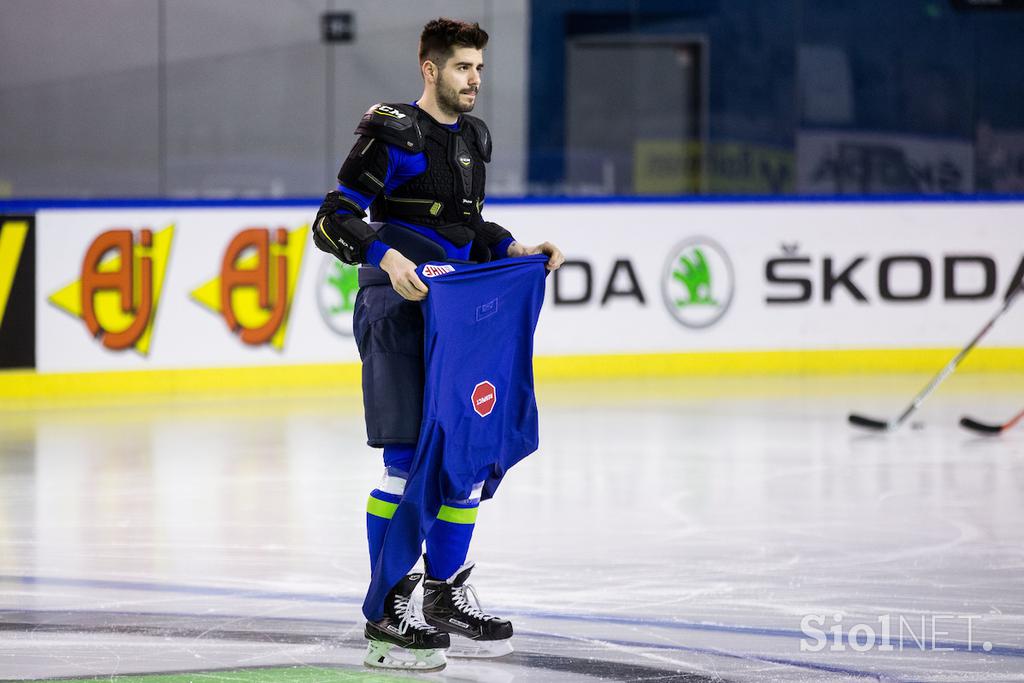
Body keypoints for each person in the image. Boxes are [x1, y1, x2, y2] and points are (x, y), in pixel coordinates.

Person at [312, 17, 564, 672]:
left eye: (479, 67)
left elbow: (467, 228)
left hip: (454, 318)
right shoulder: (390, 130)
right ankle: (388, 607)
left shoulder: (473, 138)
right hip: (397, 311)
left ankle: (444, 593)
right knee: (404, 463)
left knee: (466, 456)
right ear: (430, 69)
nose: (474, 79)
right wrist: (386, 255)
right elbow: (332, 218)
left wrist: (515, 249)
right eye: (462, 67)